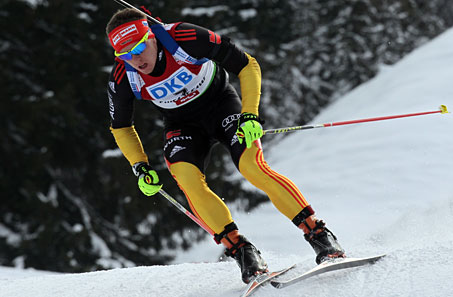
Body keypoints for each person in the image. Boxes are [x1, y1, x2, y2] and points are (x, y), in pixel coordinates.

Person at [105, 8, 346, 283]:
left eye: (138, 48)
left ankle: (319, 235)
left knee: (252, 167)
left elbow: (247, 64)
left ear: (152, 37)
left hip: (221, 105)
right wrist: (139, 165)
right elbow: (121, 126)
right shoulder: (124, 76)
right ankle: (243, 252)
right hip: (182, 124)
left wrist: (250, 114)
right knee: (187, 180)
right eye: (125, 54)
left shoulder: (183, 37)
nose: (135, 60)